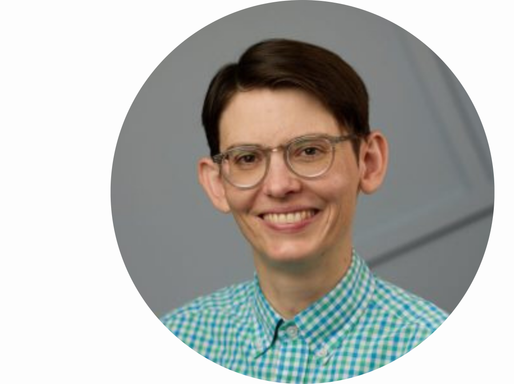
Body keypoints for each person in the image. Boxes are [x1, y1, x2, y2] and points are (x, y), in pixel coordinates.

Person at [161, 38, 448, 383]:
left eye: (310, 151)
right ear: (216, 184)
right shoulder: (178, 340)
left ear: (369, 162)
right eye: (247, 158)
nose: (280, 186)